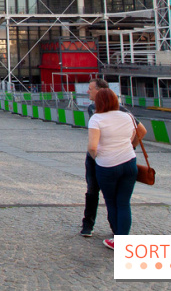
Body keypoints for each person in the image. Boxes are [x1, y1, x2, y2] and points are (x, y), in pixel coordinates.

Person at [87, 88, 146, 250]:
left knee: (111, 202)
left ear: (99, 103)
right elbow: (137, 134)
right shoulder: (128, 116)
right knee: (124, 203)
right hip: (129, 163)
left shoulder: (96, 119)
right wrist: (130, 148)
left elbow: (92, 146)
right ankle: (123, 238)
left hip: (107, 166)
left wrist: (96, 157)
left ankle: (117, 238)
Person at [79, 78, 108, 237]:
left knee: (101, 191)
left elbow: (140, 129)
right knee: (93, 190)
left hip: (101, 155)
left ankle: (92, 225)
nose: (87, 91)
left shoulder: (121, 111)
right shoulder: (92, 108)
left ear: (100, 90)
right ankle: (88, 224)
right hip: (96, 156)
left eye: (90, 89)